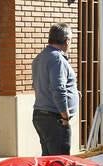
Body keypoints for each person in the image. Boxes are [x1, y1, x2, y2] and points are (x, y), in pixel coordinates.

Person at [32, 23, 78, 156]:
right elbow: (58, 89)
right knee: (59, 164)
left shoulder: (39, 58)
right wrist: (65, 114)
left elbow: (38, 86)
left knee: (49, 162)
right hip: (55, 118)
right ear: (67, 40)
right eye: (71, 40)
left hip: (41, 115)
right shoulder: (57, 59)